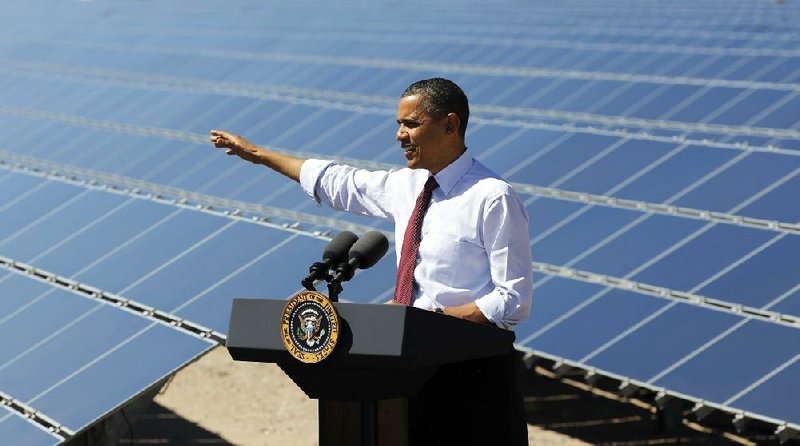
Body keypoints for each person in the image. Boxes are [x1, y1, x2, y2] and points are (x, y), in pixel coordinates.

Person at [211, 78, 532, 445]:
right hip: (409, 370)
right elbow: (339, 182)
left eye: (410, 124)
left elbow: (513, 299)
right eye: (399, 124)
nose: (399, 135)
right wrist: (259, 155)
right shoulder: (407, 185)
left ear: (450, 124)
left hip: (472, 375)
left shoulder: (492, 197)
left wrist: (431, 319)